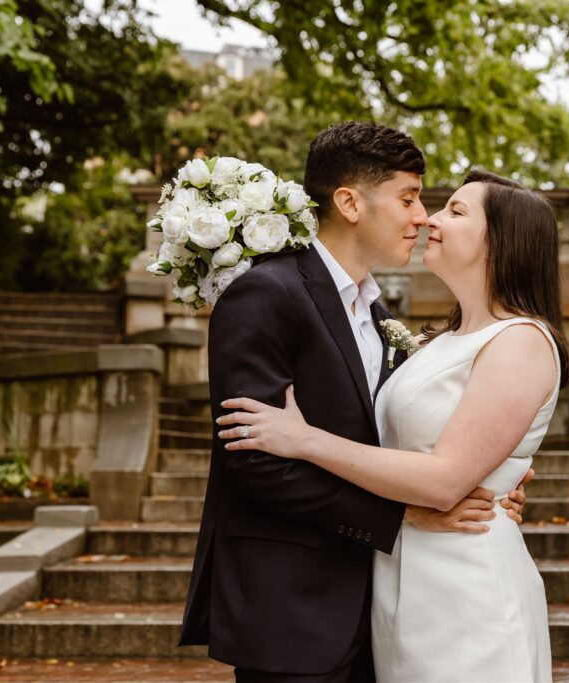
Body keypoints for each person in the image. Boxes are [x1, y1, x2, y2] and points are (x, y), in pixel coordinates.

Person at [179, 122, 532, 683]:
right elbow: (253, 460)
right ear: (349, 202)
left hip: (385, 608)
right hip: (292, 604)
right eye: (408, 198)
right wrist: (402, 516)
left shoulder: (382, 318)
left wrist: (492, 479)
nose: (422, 217)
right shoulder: (266, 294)